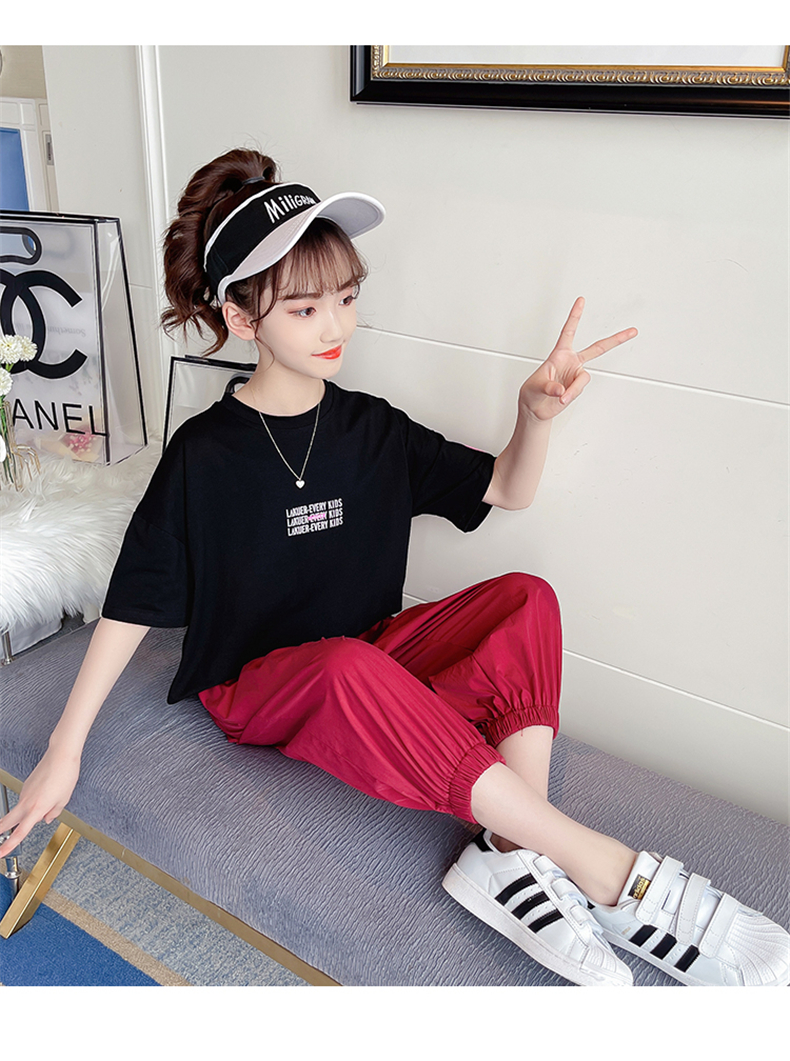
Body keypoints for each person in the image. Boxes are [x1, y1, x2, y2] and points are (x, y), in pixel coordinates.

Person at [1, 149, 787, 989]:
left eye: (346, 297)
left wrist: (534, 415)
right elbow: (133, 600)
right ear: (241, 317)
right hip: (257, 686)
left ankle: (512, 849)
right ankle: (609, 870)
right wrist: (63, 750)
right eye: (305, 308)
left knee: (526, 597)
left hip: (369, 653)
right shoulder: (204, 454)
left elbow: (506, 488)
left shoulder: (371, 427)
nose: (334, 326)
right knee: (347, 664)